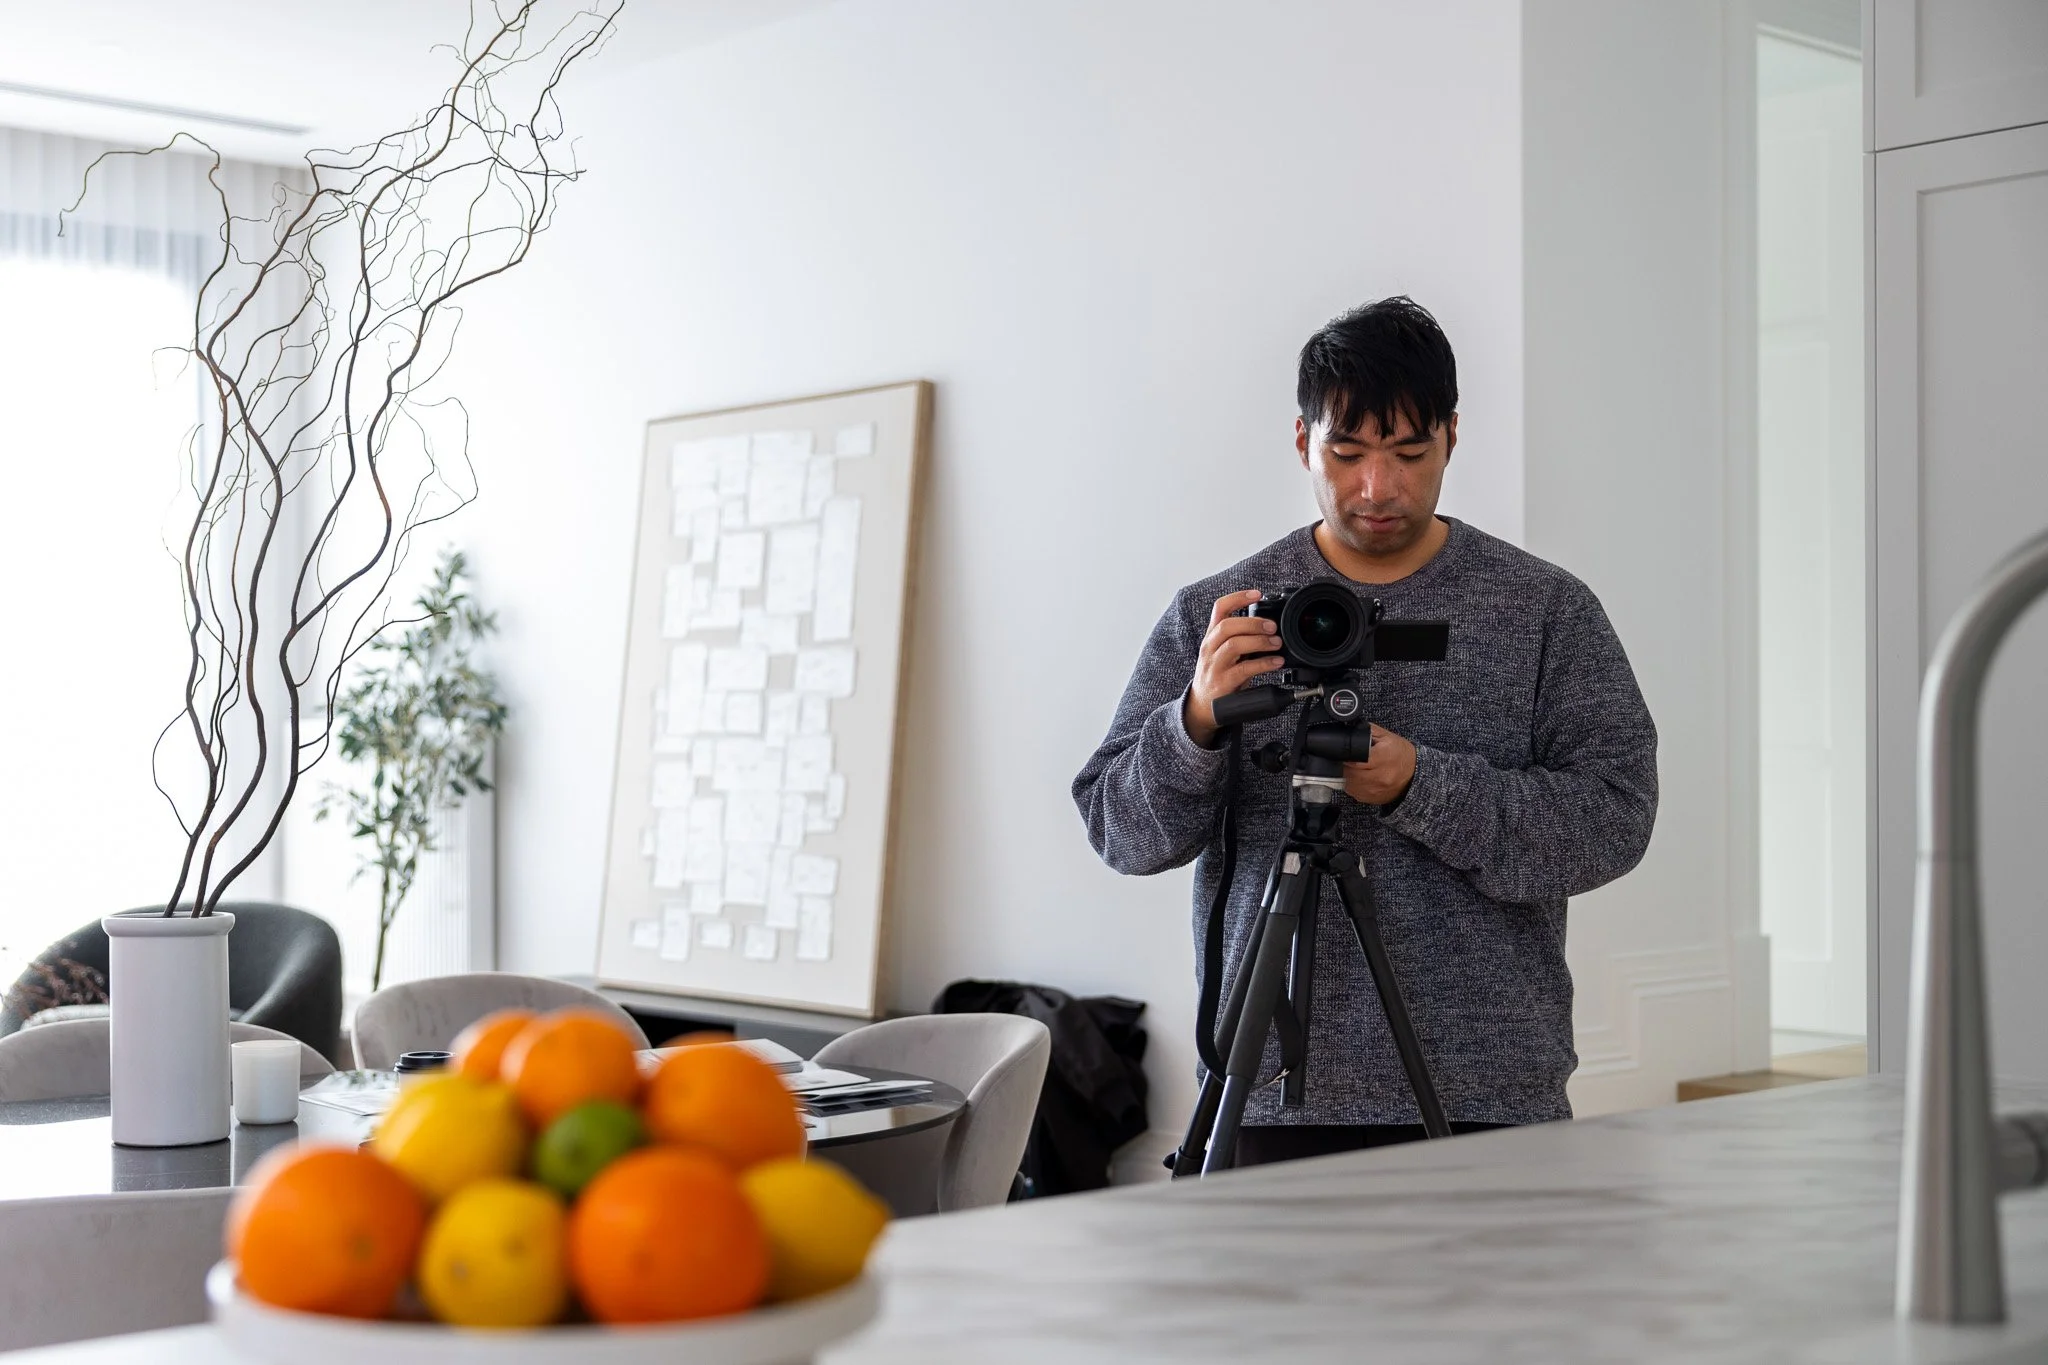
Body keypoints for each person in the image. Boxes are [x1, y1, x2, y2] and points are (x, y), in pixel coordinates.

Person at [1071, 296, 1658, 1167]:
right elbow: (1118, 831)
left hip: (1487, 1091)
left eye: (1409, 453)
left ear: (1453, 438)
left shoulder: (1544, 611)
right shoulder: (1220, 611)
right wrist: (1193, 723)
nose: (1377, 487)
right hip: (1268, 1092)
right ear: (1303, 442)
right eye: (1346, 453)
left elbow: (1615, 817)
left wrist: (1420, 785)